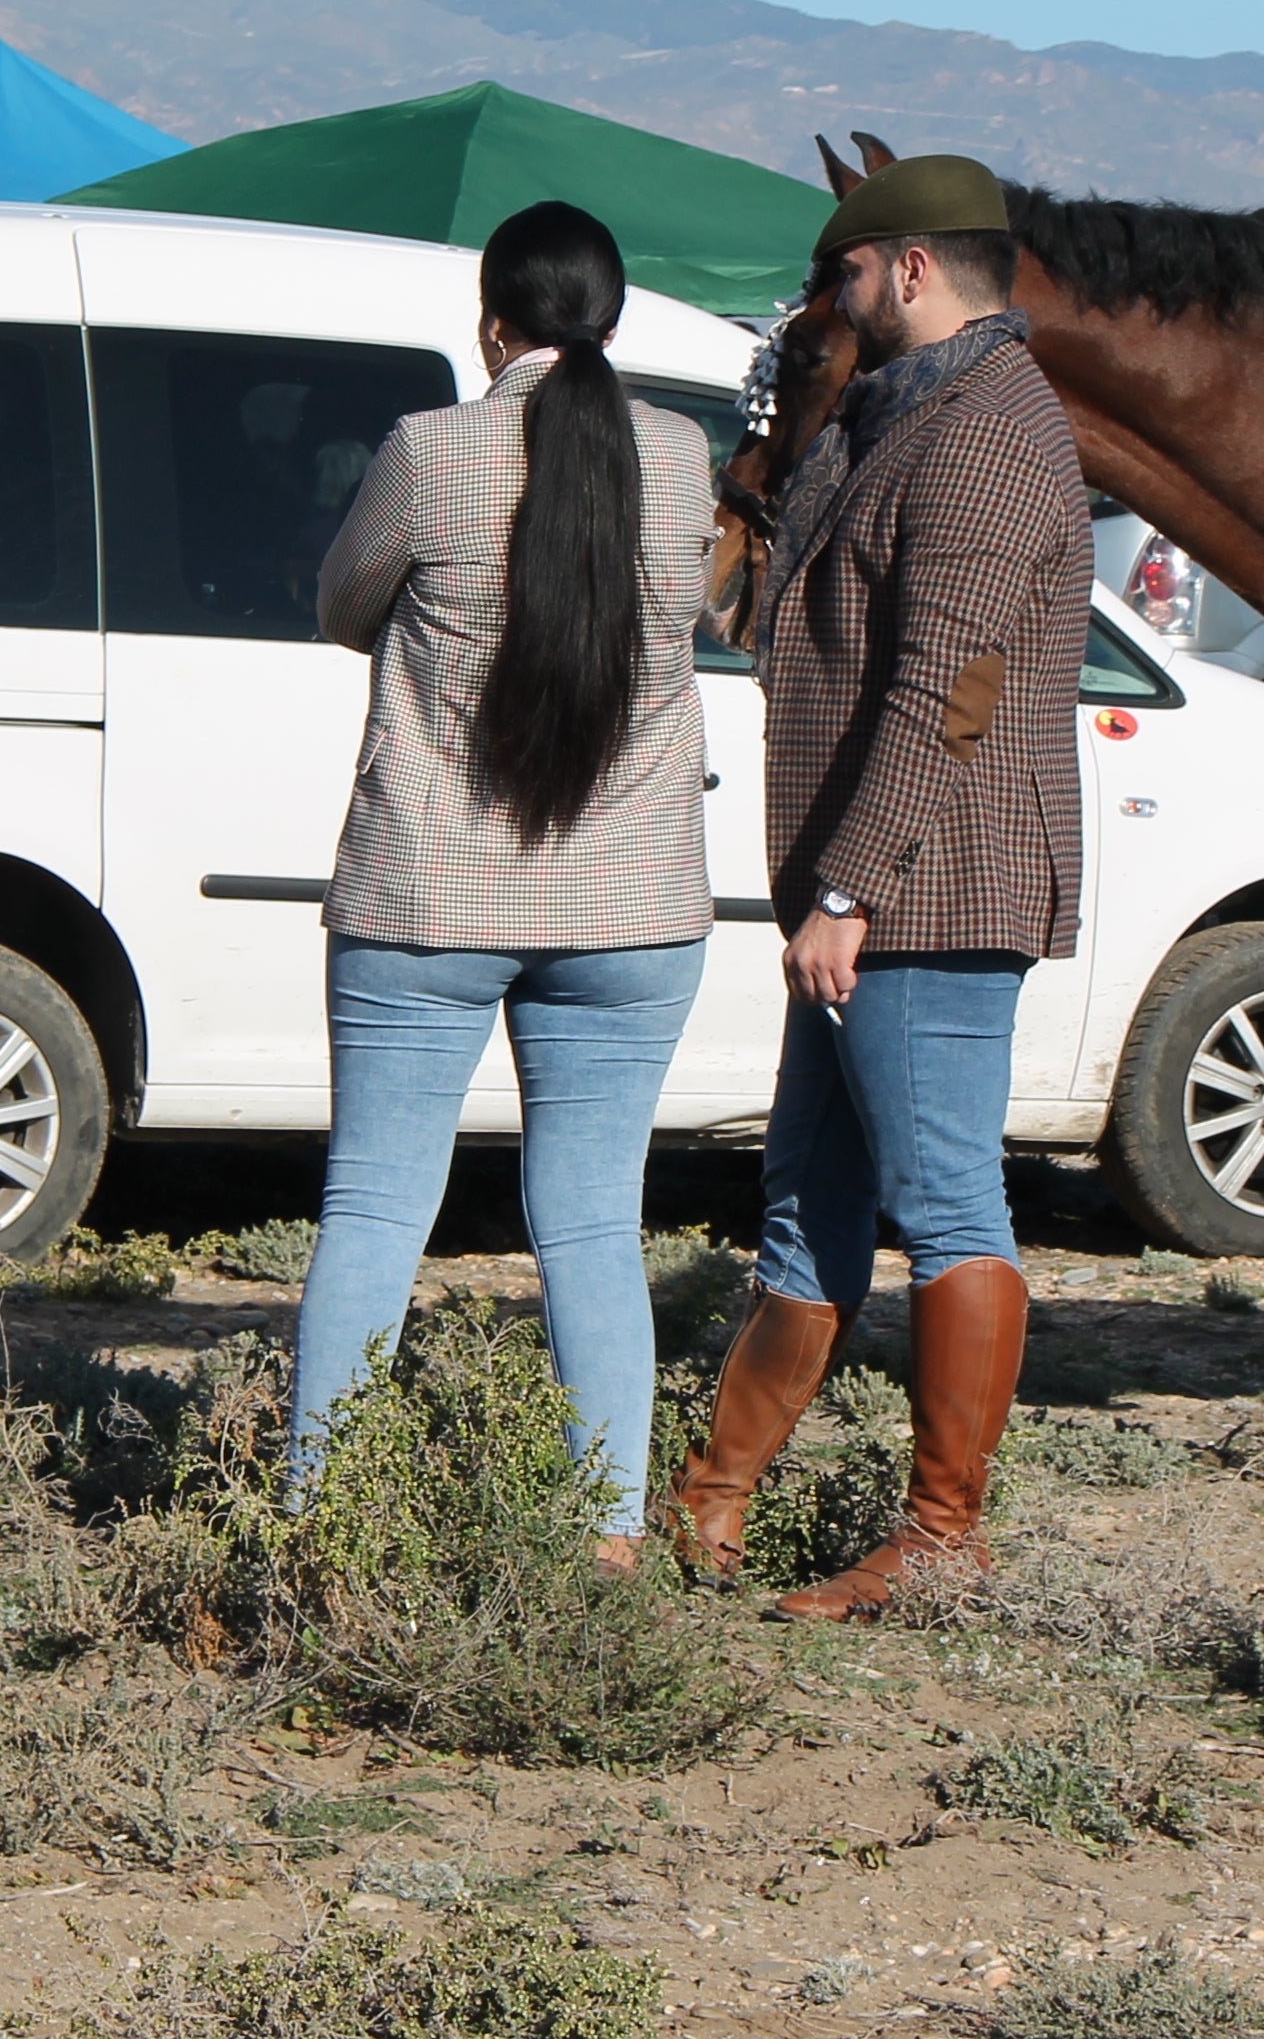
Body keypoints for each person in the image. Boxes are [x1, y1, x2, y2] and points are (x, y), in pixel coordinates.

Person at [669, 153, 1088, 1620]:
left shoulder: (987, 433)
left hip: (930, 887)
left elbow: (952, 687)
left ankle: (942, 1541)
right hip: (871, 887)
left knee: (947, 1205)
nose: (827, 304)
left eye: (841, 276)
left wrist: (849, 885)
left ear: (910, 268)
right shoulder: (897, 412)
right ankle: (710, 1508)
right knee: (807, 1204)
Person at [286, 200, 717, 1558]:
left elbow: (344, 606)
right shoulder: (681, 456)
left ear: (492, 324)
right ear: (613, 317)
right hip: (633, 904)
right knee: (594, 1222)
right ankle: (606, 1534)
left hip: (430, 892)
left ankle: (323, 1516)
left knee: (373, 1209)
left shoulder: (431, 450)